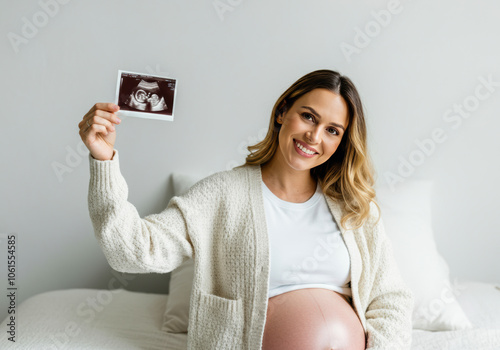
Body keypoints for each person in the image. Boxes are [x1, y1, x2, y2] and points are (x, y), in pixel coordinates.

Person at [78, 69, 414, 350]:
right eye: (308, 116)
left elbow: (391, 299)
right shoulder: (224, 194)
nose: (314, 136)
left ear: (341, 142)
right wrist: (103, 159)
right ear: (282, 112)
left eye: (332, 130)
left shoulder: (354, 210)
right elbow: (132, 251)